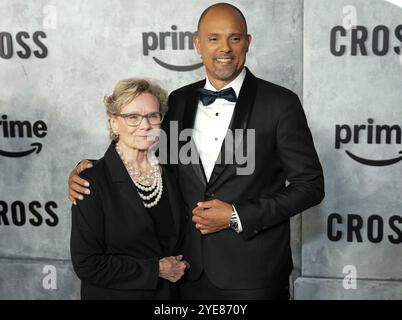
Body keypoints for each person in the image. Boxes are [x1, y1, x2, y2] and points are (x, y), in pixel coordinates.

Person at [69, 3, 324, 300]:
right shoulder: (179, 101)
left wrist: (237, 215)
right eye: (214, 38)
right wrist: (90, 171)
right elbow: (144, 150)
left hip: (253, 275)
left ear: (248, 42)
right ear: (198, 44)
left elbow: (310, 186)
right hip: (187, 273)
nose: (224, 48)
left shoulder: (280, 103)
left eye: (235, 38)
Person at [70, 78, 188, 300]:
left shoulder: (171, 172)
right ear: (114, 123)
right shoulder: (91, 181)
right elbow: (87, 264)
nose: (145, 125)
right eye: (133, 117)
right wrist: (157, 269)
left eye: (153, 116)